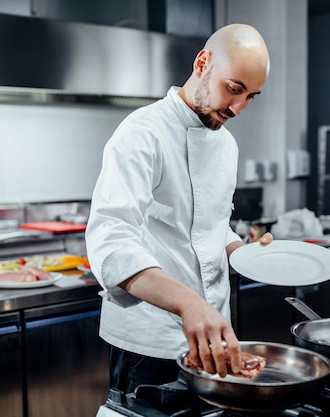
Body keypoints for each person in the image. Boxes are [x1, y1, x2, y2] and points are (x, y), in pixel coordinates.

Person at [85, 23, 273, 393]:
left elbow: (210, 225)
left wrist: (241, 252)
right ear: (203, 62)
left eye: (251, 96)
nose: (238, 107)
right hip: (148, 341)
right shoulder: (142, 132)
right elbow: (111, 243)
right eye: (234, 89)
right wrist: (189, 304)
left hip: (212, 338)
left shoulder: (226, 144)